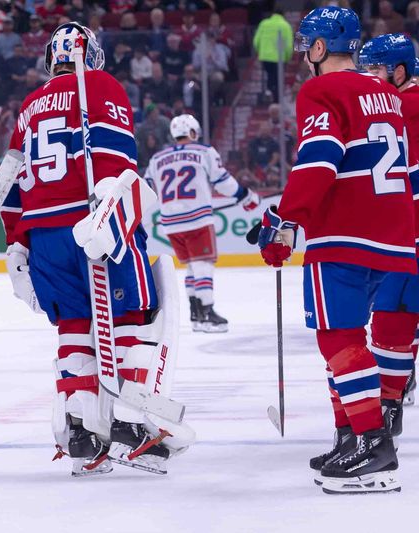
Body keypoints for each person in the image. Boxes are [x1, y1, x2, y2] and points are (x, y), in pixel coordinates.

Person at [1, 22, 186, 477]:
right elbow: (118, 163)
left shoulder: (27, 106)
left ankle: (82, 429)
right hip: (94, 222)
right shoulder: (101, 84)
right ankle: (130, 421)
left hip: (43, 234)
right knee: (137, 314)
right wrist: (112, 222)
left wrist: (16, 245)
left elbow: (9, 188)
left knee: (73, 324)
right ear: (93, 56)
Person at [256, 7, 415, 495]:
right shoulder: (386, 93)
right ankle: (352, 435)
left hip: (346, 232)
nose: (304, 55)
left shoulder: (321, 89)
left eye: (307, 45)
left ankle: (371, 441)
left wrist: (287, 221)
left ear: (322, 48)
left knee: (338, 337)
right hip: (393, 230)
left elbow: (321, 157)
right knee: (351, 336)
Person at [357, 33, 419, 455]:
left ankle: (389, 405)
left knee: (394, 318)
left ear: (399, 70)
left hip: (409, 235)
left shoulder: (402, 107)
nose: (369, 78)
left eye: (376, 69)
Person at [146, 114, 259, 333]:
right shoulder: (204, 151)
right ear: (193, 132)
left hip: (170, 222)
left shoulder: (156, 158)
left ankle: (196, 314)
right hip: (197, 218)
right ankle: (208, 313)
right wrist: (245, 196)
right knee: (203, 264)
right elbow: (223, 181)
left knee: (191, 266)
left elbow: (147, 187)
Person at [253, 9, 294, 102]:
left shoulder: (264, 24)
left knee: (270, 75)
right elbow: (288, 46)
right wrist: (287, 58)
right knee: (277, 79)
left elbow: (256, 41)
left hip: (265, 57)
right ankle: (276, 99)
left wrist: (260, 52)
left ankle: (270, 90)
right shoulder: (285, 25)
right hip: (280, 58)